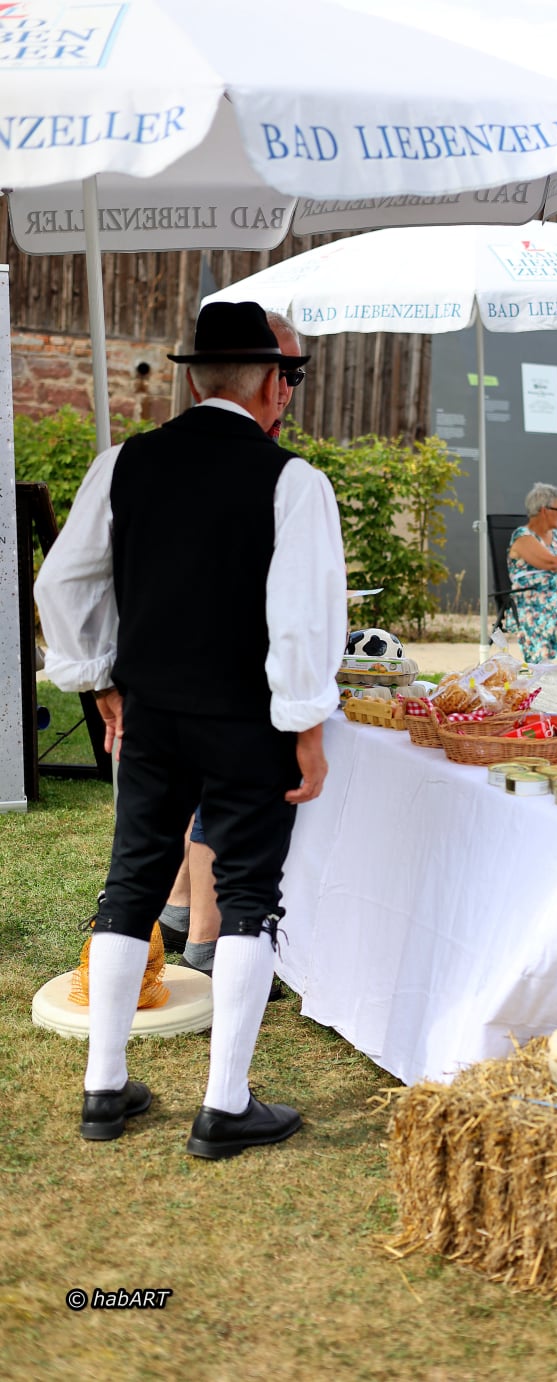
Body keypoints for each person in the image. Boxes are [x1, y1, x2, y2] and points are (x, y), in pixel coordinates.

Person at [34, 300, 347, 1159]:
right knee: (248, 896)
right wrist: (305, 726)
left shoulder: (123, 464)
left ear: (197, 377)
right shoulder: (293, 482)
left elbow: (60, 586)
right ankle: (224, 1104)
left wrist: (97, 679)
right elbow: (303, 623)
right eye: (288, 377)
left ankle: (105, 1090)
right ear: (270, 384)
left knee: (131, 880)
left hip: (153, 715)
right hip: (248, 721)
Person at [170, 310, 308, 982]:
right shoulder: (274, 468)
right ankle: (202, 932)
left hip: (177, 673)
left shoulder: (266, 455)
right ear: (259, 374)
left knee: (188, 798)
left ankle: (176, 909)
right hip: (225, 674)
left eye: (297, 375)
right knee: (217, 806)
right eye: (285, 372)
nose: (288, 388)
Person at [506, 483, 557, 663]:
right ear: (544, 510)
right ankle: (540, 668)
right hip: (531, 601)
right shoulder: (523, 537)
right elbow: (552, 563)